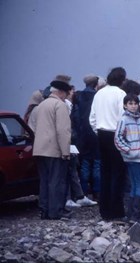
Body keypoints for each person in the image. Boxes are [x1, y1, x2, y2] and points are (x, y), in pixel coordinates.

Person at [89, 67, 127, 221]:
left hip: (101, 133)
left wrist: (98, 131)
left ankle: (104, 211)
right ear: (122, 80)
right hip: (116, 134)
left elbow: (92, 117)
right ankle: (117, 212)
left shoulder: (99, 93)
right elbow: (123, 118)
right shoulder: (121, 94)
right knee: (118, 174)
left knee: (105, 173)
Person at [33, 75, 73, 220]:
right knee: (56, 181)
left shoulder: (41, 105)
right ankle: (56, 211)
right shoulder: (59, 105)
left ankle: (44, 210)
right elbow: (63, 130)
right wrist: (65, 151)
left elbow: (34, 127)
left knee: (44, 181)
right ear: (61, 92)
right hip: (54, 150)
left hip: (39, 149)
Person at [114, 94, 140, 224]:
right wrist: (128, 150)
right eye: (130, 103)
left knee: (135, 185)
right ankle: (136, 216)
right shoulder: (123, 120)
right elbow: (118, 138)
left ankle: (131, 215)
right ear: (125, 105)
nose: (133, 106)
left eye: (135, 103)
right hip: (132, 158)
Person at [65, 85, 97, 207]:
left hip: (78, 141)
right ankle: (73, 197)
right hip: (72, 141)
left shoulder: (75, 105)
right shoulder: (68, 106)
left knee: (76, 169)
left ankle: (78, 195)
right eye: (71, 90)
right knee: (71, 170)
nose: (73, 93)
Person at [71, 74, 101, 201]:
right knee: (97, 164)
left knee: (85, 164)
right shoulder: (98, 97)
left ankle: (83, 192)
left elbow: (76, 117)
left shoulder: (78, 97)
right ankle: (97, 192)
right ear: (96, 84)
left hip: (83, 136)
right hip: (96, 135)